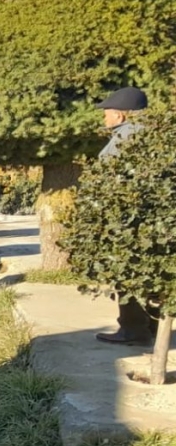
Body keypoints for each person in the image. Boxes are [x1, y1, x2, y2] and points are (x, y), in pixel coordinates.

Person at [93, 86, 159, 346]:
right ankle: (150, 328)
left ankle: (132, 330)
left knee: (127, 274)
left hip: (127, 221)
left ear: (120, 116)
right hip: (153, 221)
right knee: (150, 274)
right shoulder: (155, 135)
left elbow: (111, 183)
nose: (104, 118)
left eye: (106, 113)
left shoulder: (123, 140)